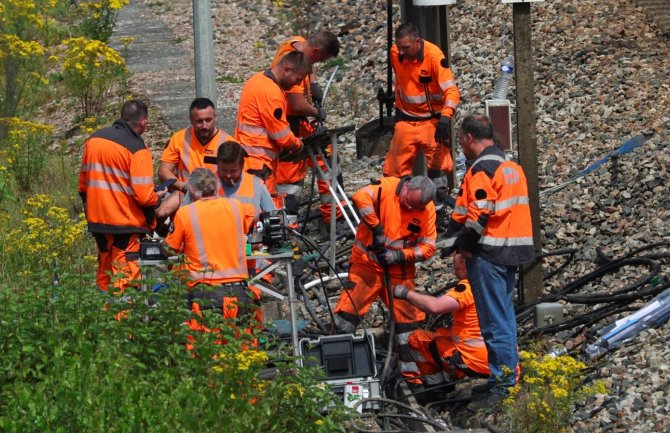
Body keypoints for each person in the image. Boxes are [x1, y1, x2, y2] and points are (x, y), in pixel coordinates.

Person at [441, 114, 534, 407]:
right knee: (503, 317)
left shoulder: (482, 168)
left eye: (460, 140)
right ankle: (500, 378)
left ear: (469, 137)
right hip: (510, 251)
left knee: (495, 322)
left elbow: (480, 213)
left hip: (489, 253)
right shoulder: (510, 166)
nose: (460, 145)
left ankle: (504, 385)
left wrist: (463, 247)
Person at [333, 175, 437, 380]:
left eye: (415, 207)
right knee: (347, 316)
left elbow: (428, 248)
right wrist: (376, 227)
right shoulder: (385, 189)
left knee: (409, 326)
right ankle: (336, 370)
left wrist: (399, 255)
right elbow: (359, 197)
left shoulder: (427, 210)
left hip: (399, 272)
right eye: (409, 202)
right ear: (406, 187)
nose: (410, 208)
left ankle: (413, 377)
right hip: (367, 266)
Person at [78, 99, 165, 293]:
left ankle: (104, 316)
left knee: (105, 272)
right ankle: (123, 319)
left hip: (98, 222)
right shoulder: (137, 149)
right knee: (124, 277)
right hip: (124, 224)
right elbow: (144, 197)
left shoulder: (94, 140)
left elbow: (83, 185)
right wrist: (158, 197)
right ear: (144, 123)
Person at [164, 168, 260, 341]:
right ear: (216, 187)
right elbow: (253, 216)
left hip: (205, 294)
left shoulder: (185, 213)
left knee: (207, 357)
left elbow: (169, 249)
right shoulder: (236, 206)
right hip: (239, 292)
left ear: (192, 190)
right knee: (240, 350)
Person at [394, 253, 489, 403]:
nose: (454, 273)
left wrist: (405, 293)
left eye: (456, 269)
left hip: (476, 361)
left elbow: (435, 307)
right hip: (498, 358)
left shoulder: (467, 288)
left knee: (417, 339)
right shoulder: (492, 284)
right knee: (441, 333)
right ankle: (450, 377)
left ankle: (437, 387)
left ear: (465, 269)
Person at [382, 22, 460, 202]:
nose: (401, 52)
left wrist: (445, 118)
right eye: (399, 47)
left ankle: (437, 214)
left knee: (438, 168)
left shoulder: (433, 57)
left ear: (417, 42)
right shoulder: (395, 53)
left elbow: (452, 91)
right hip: (406, 121)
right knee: (393, 171)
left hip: (431, 122)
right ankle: (397, 207)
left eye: (406, 48)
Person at [271, 31, 343, 223]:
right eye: (320, 59)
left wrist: (314, 83)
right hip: (289, 123)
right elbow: (295, 104)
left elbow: (308, 63)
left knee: (328, 160)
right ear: (316, 51)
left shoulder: (298, 44)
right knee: (290, 177)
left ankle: (334, 217)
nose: (316, 65)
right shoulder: (292, 69)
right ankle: (287, 225)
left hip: (297, 121)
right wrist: (315, 112)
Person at [235, 50, 310, 205]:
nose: (296, 84)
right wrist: (299, 144)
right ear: (287, 69)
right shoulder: (271, 92)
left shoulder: (257, 80)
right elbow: (282, 136)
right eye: (298, 79)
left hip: (248, 160)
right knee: (265, 213)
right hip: (259, 164)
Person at [159, 97, 234, 194]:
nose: (204, 126)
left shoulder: (228, 143)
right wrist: (184, 187)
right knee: (164, 208)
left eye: (208, 120)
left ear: (215, 117)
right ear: (191, 120)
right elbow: (163, 171)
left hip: (217, 196)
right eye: (199, 121)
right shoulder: (179, 138)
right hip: (185, 193)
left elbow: (238, 176)